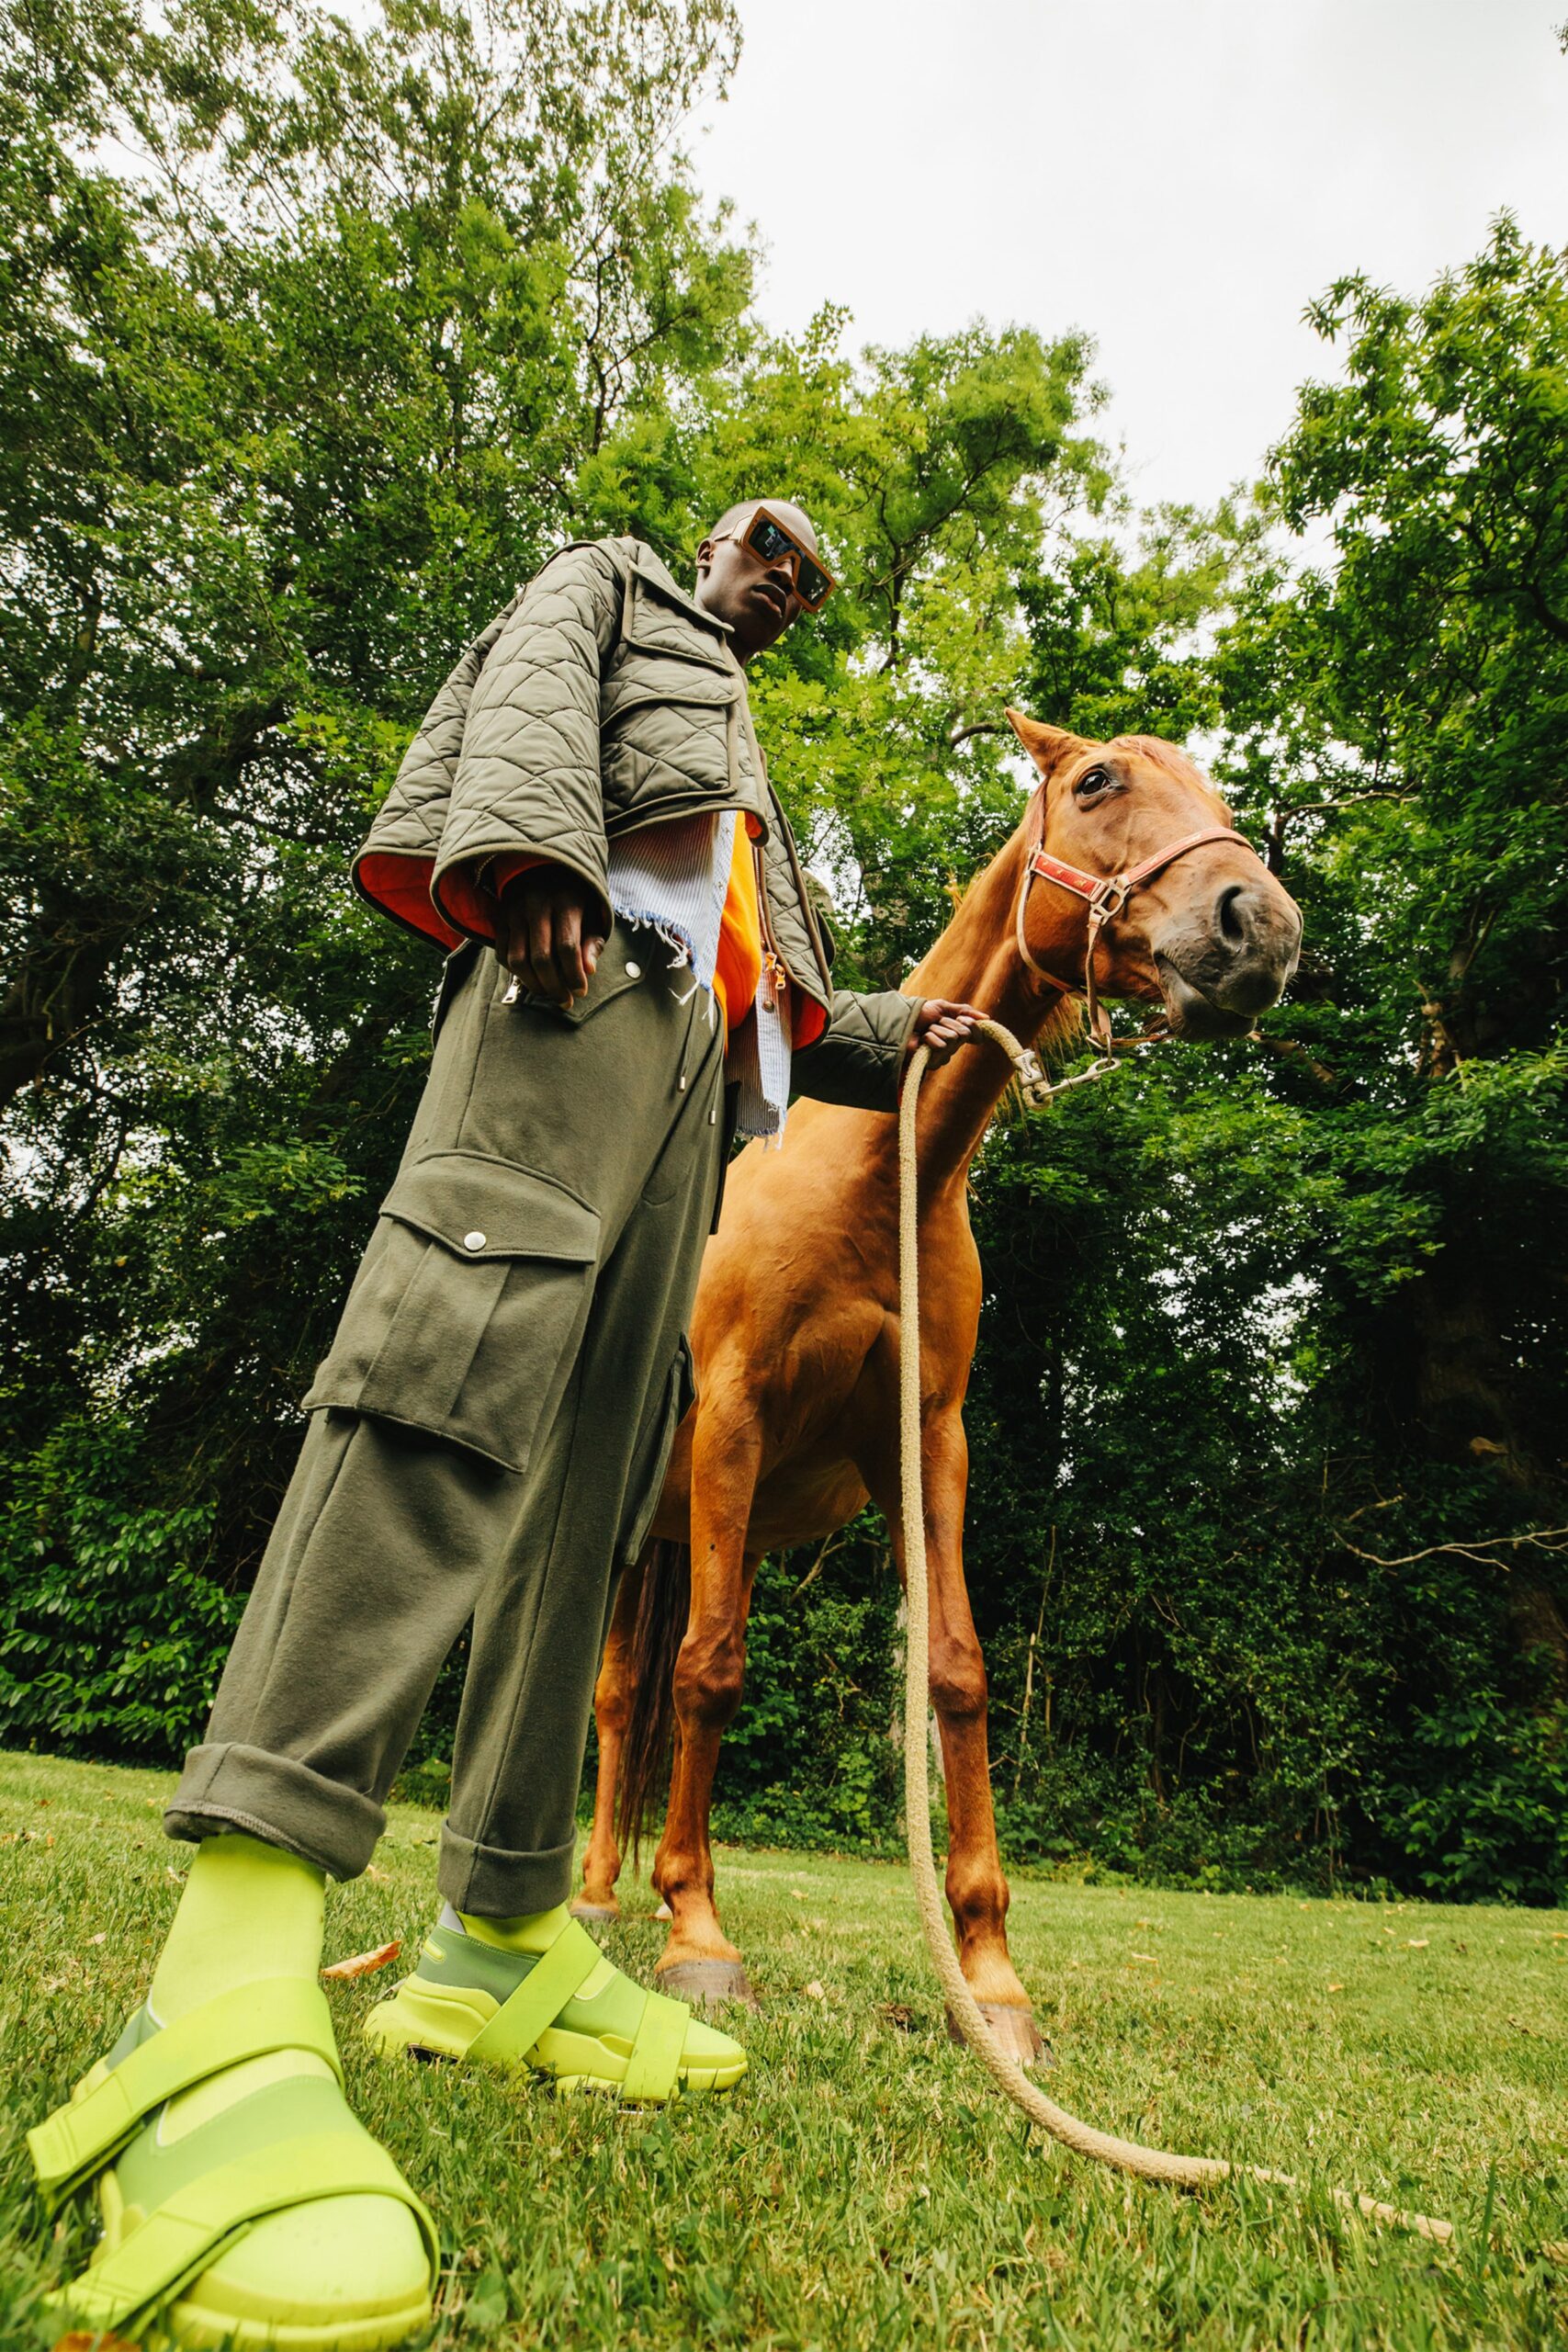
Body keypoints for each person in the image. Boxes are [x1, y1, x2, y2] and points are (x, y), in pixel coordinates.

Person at [28, 500, 985, 2346]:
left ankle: (499, 1928)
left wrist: (924, 1023)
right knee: (446, 1361)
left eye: (809, 575)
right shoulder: (611, 586)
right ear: (710, 546)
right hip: (569, 999)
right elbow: (530, 690)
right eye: (767, 544)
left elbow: (774, 998)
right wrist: (531, 855)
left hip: (702, 1108)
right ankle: (216, 1978)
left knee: (598, 1495)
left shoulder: (751, 784)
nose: (783, 577)